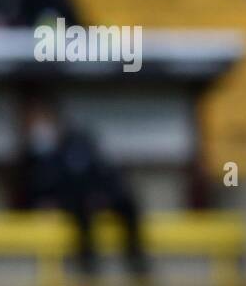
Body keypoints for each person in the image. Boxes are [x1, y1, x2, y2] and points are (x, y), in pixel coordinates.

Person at [17, 98, 149, 276]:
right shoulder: (34, 154)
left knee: (127, 202)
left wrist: (101, 193)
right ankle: (88, 262)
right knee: (81, 209)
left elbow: (99, 169)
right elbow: (37, 184)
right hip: (71, 201)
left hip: (94, 193)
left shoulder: (77, 141)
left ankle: (136, 259)